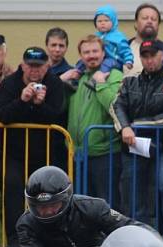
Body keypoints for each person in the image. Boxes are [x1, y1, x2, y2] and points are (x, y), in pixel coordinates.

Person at [0, 46, 67, 247]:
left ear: (47, 66)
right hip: (14, 152)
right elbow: (2, 116)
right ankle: (15, 242)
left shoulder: (55, 84)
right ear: (22, 65)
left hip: (45, 153)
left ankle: (47, 243)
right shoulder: (10, 83)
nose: (34, 70)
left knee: (47, 198)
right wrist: (23, 100)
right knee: (13, 190)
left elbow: (59, 119)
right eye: (30, 65)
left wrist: (40, 104)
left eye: (39, 66)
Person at [109, 39, 163, 228]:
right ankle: (136, 238)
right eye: (145, 56)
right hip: (132, 147)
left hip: (162, 147)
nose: (149, 60)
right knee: (133, 193)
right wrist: (124, 127)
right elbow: (116, 105)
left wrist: (136, 124)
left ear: (162, 55)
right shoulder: (129, 80)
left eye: (153, 55)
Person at [66, 36, 123, 205]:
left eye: (95, 51)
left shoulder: (114, 75)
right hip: (78, 153)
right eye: (86, 52)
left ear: (103, 53)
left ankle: (110, 233)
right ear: (81, 55)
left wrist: (101, 84)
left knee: (106, 204)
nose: (91, 55)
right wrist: (61, 81)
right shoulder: (78, 77)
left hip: (105, 152)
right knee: (81, 205)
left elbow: (116, 106)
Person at [74, 5, 133, 76]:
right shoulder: (96, 36)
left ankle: (97, 79)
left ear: (113, 22)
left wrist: (128, 60)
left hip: (115, 60)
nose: (102, 23)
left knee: (106, 64)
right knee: (81, 62)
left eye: (106, 20)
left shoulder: (118, 37)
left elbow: (126, 50)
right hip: (99, 59)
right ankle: (75, 77)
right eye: (99, 21)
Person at [125, 3, 163, 78]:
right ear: (135, 23)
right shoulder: (123, 48)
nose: (149, 21)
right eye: (145, 18)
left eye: (153, 19)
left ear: (158, 25)